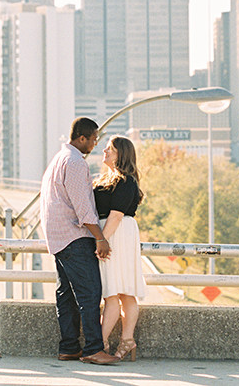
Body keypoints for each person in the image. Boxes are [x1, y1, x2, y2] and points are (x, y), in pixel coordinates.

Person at [40, 117, 119, 365]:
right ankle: (93, 349)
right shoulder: (74, 162)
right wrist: (100, 237)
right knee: (89, 293)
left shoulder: (58, 159)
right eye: (94, 140)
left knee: (66, 295)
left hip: (58, 238)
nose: (95, 145)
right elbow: (83, 207)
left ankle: (69, 348)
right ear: (82, 138)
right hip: (74, 237)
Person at [93, 135, 146, 362]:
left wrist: (101, 241)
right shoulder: (107, 179)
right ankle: (121, 341)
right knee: (116, 290)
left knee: (118, 290)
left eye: (110, 149)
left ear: (121, 154)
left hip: (117, 234)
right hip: (111, 233)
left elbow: (115, 216)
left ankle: (105, 343)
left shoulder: (126, 181)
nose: (104, 151)